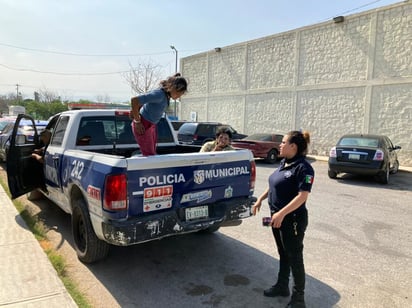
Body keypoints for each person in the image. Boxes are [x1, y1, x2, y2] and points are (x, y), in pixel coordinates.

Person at [252, 130, 314, 308]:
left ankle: (298, 299)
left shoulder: (304, 168)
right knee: (282, 252)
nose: (280, 144)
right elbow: (274, 185)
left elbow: (302, 196)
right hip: (276, 217)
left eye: (283, 142)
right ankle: (282, 285)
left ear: (293, 146)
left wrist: (281, 214)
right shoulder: (284, 162)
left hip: (292, 219)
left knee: (295, 257)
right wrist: (260, 200)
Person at [130, 73, 188, 156]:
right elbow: (134, 100)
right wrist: (137, 121)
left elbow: (145, 102)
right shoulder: (159, 94)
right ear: (173, 88)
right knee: (149, 156)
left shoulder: (165, 95)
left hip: (151, 125)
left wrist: (136, 109)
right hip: (143, 126)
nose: (179, 97)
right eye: (179, 94)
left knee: (152, 154)